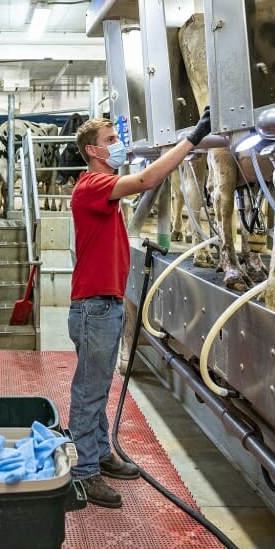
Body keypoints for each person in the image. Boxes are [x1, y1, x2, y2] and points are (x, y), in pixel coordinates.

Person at [68, 108, 212, 508]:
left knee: (97, 387)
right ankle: (83, 473)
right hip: (94, 307)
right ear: (93, 151)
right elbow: (149, 179)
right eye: (112, 140)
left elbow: (142, 180)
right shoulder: (92, 185)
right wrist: (195, 137)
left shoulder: (105, 188)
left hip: (102, 304)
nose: (119, 145)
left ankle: (98, 454)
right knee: (89, 390)